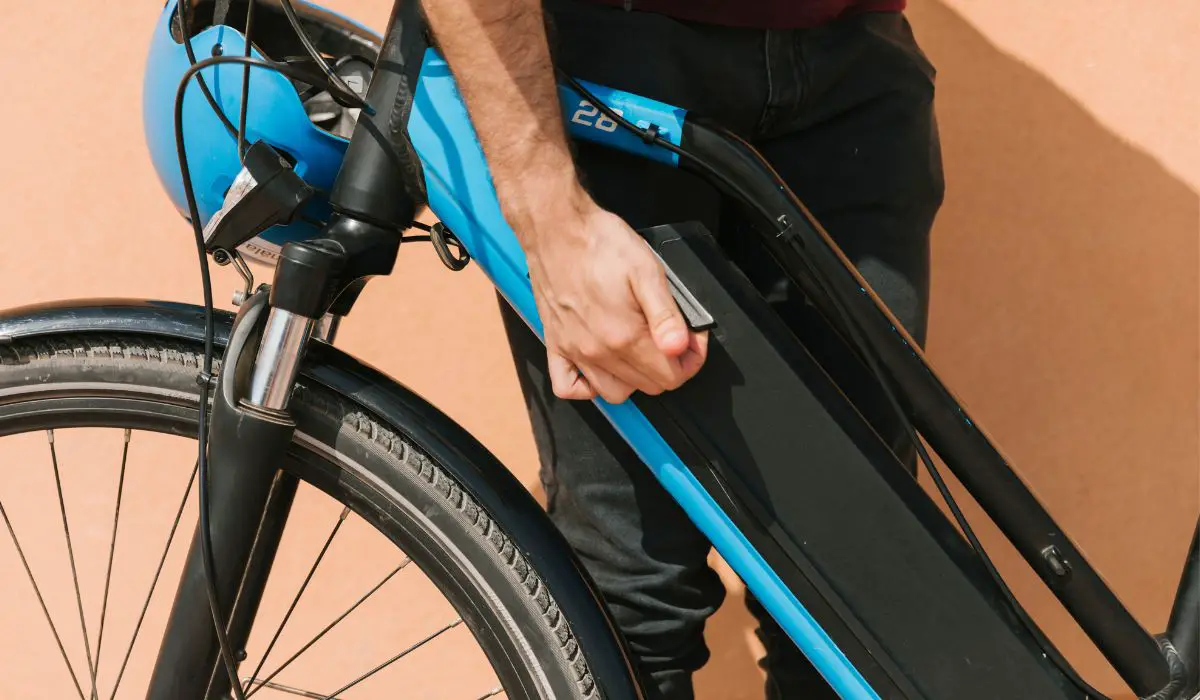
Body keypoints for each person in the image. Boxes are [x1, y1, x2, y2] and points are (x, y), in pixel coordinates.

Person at [421, 0, 944, 697]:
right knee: (632, 596)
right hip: (605, 54)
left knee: (852, 592)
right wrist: (548, 213)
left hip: (853, 61)